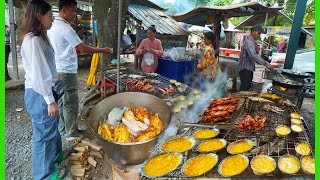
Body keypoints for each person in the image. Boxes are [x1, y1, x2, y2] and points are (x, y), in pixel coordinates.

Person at [48, 0, 112, 141]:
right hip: (66, 71)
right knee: (70, 102)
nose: (75, 13)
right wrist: (103, 50)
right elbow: (82, 48)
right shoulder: (66, 28)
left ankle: (63, 128)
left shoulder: (52, 26)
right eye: (73, 10)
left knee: (61, 101)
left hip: (56, 69)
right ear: (64, 10)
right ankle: (71, 132)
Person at [19, 0, 67, 179]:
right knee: (43, 135)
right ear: (38, 16)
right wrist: (50, 100)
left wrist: (55, 76)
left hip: (46, 90)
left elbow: (45, 66)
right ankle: (43, 175)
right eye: (49, 16)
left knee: (51, 127)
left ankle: (54, 157)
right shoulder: (33, 41)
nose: (52, 19)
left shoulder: (40, 36)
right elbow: (39, 76)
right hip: (40, 94)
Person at [238, 25, 279, 91]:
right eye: (259, 33)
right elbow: (253, 55)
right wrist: (266, 64)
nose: (259, 35)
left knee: (246, 87)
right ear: (253, 32)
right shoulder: (249, 42)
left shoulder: (252, 42)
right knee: (244, 88)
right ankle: (240, 100)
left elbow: (254, 56)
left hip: (248, 68)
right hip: (245, 69)